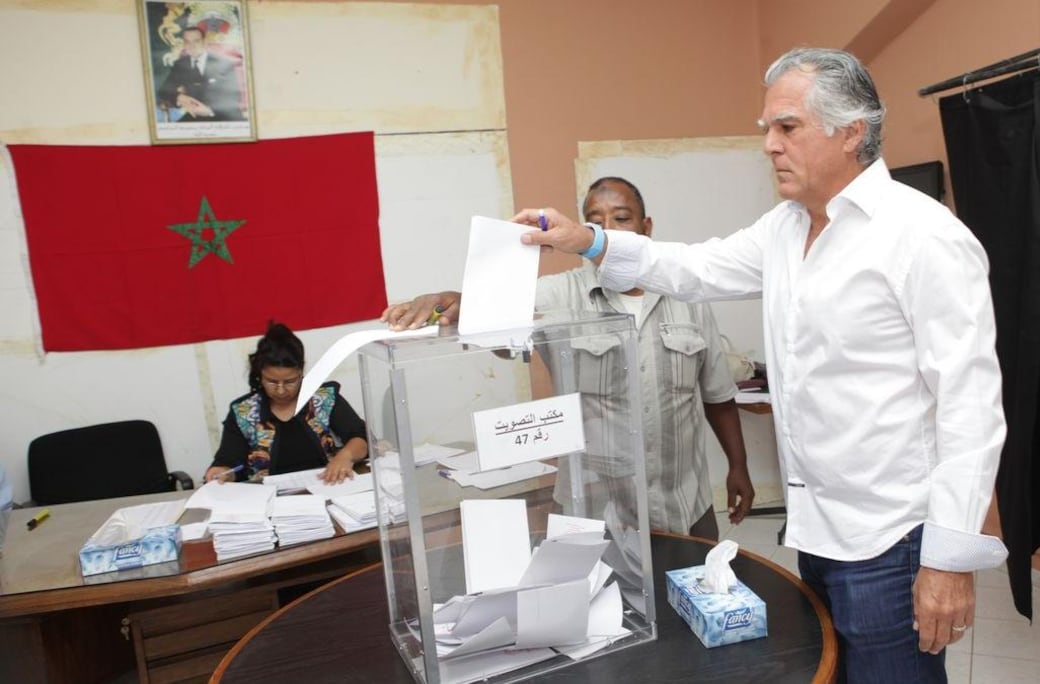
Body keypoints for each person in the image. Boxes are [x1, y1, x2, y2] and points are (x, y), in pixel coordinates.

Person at [513, 48, 1008, 683]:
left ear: (851, 129)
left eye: (787, 127)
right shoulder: (785, 228)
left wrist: (948, 561)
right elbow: (692, 268)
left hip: (892, 538)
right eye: (767, 130)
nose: (770, 145)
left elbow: (971, 405)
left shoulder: (924, 237)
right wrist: (591, 241)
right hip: (818, 530)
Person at [381, 177, 755, 540]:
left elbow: (717, 395)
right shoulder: (558, 298)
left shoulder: (688, 296)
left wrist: (738, 467)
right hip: (594, 510)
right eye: (594, 221)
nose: (609, 229)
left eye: (622, 218)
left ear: (646, 227)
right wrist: (454, 299)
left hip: (684, 503)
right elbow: (492, 309)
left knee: (692, 600)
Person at [204, 321, 368, 485]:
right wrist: (223, 473)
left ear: (301, 371)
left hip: (326, 486)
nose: (281, 390)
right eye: (272, 382)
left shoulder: (323, 399)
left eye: (290, 381)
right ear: (260, 374)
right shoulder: (244, 412)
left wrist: (345, 456)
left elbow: (360, 437)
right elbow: (228, 462)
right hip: (266, 499)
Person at [155, 26, 244, 122]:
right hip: (195, 117)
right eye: (187, 42)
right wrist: (179, 97)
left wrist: (210, 111)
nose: (191, 46)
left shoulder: (224, 63)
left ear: (204, 42)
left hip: (224, 116)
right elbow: (163, 91)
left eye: (196, 41)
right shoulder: (180, 64)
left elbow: (234, 96)